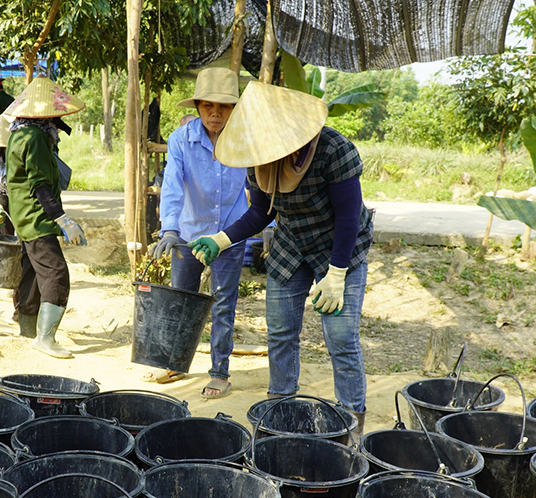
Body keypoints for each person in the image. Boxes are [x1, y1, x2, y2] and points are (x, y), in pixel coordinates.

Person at [190, 81, 374, 435]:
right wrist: (221, 238)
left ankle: (351, 425)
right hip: (291, 244)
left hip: (339, 245)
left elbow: (349, 218)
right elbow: (260, 214)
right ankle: (279, 412)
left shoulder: (333, 149)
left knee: (341, 337)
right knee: (280, 331)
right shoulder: (258, 159)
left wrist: (336, 274)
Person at [148, 68, 246, 399]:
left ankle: (219, 371)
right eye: (208, 106)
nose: (215, 114)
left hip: (230, 234)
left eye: (223, 107)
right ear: (199, 106)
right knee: (182, 299)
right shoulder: (180, 139)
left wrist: (270, 228)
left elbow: (260, 185)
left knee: (222, 304)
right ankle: (175, 361)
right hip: (188, 232)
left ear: (234, 109)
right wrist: (170, 228)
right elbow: (173, 184)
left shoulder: (246, 139)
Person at [4, 76, 87, 358]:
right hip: (37, 218)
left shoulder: (19, 133)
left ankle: (27, 328)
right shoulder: (36, 138)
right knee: (55, 272)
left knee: (32, 271)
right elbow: (39, 184)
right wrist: (63, 220)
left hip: (24, 217)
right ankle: (45, 338)